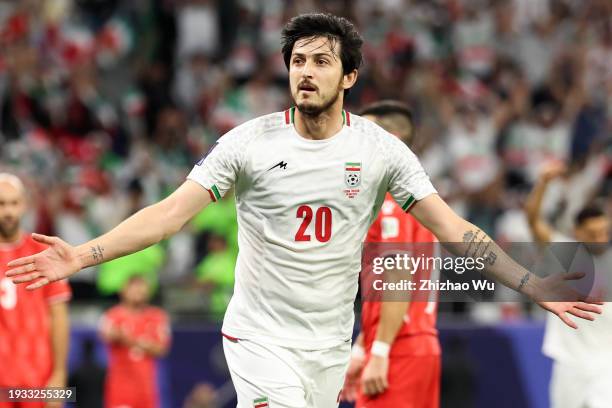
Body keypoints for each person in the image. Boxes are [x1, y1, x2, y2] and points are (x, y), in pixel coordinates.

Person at [6, 13, 602, 408]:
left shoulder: (379, 151)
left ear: (350, 75)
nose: (306, 72)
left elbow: (455, 230)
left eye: (321, 62)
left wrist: (532, 283)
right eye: (298, 61)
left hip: (327, 344)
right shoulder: (247, 143)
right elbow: (169, 214)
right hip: (258, 335)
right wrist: (81, 255)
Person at [341, 101, 440, 407]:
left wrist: (380, 351)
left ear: (391, 141)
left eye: (364, 134)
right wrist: (362, 348)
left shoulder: (389, 201)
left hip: (399, 350)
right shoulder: (417, 198)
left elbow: (398, 275)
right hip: (417, 344)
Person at [525, 162, 612, 408]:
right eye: (593, 233)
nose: (601, 238)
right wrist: (543, 183)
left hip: (607, 364)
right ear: (578, 232)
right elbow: (533, 220)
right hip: (569, 363)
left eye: (604, 232)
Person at [0, 173, 71, 408]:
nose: (8, 211)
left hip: (37, 380)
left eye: (13, 203)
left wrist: (59, 375)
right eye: (1, 203)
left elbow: (59, 316)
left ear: (24, 205)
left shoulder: (43, 254)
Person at [99, 274, 171, 408]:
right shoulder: (113, 315)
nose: (138, 292)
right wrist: (143, 343)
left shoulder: (157, 316)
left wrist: (129, 340)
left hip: (146, 387)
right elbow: (106, 335)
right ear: (123, 291)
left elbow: (161, 349)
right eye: (134, 288)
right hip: (120, 386)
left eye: (141, 288)